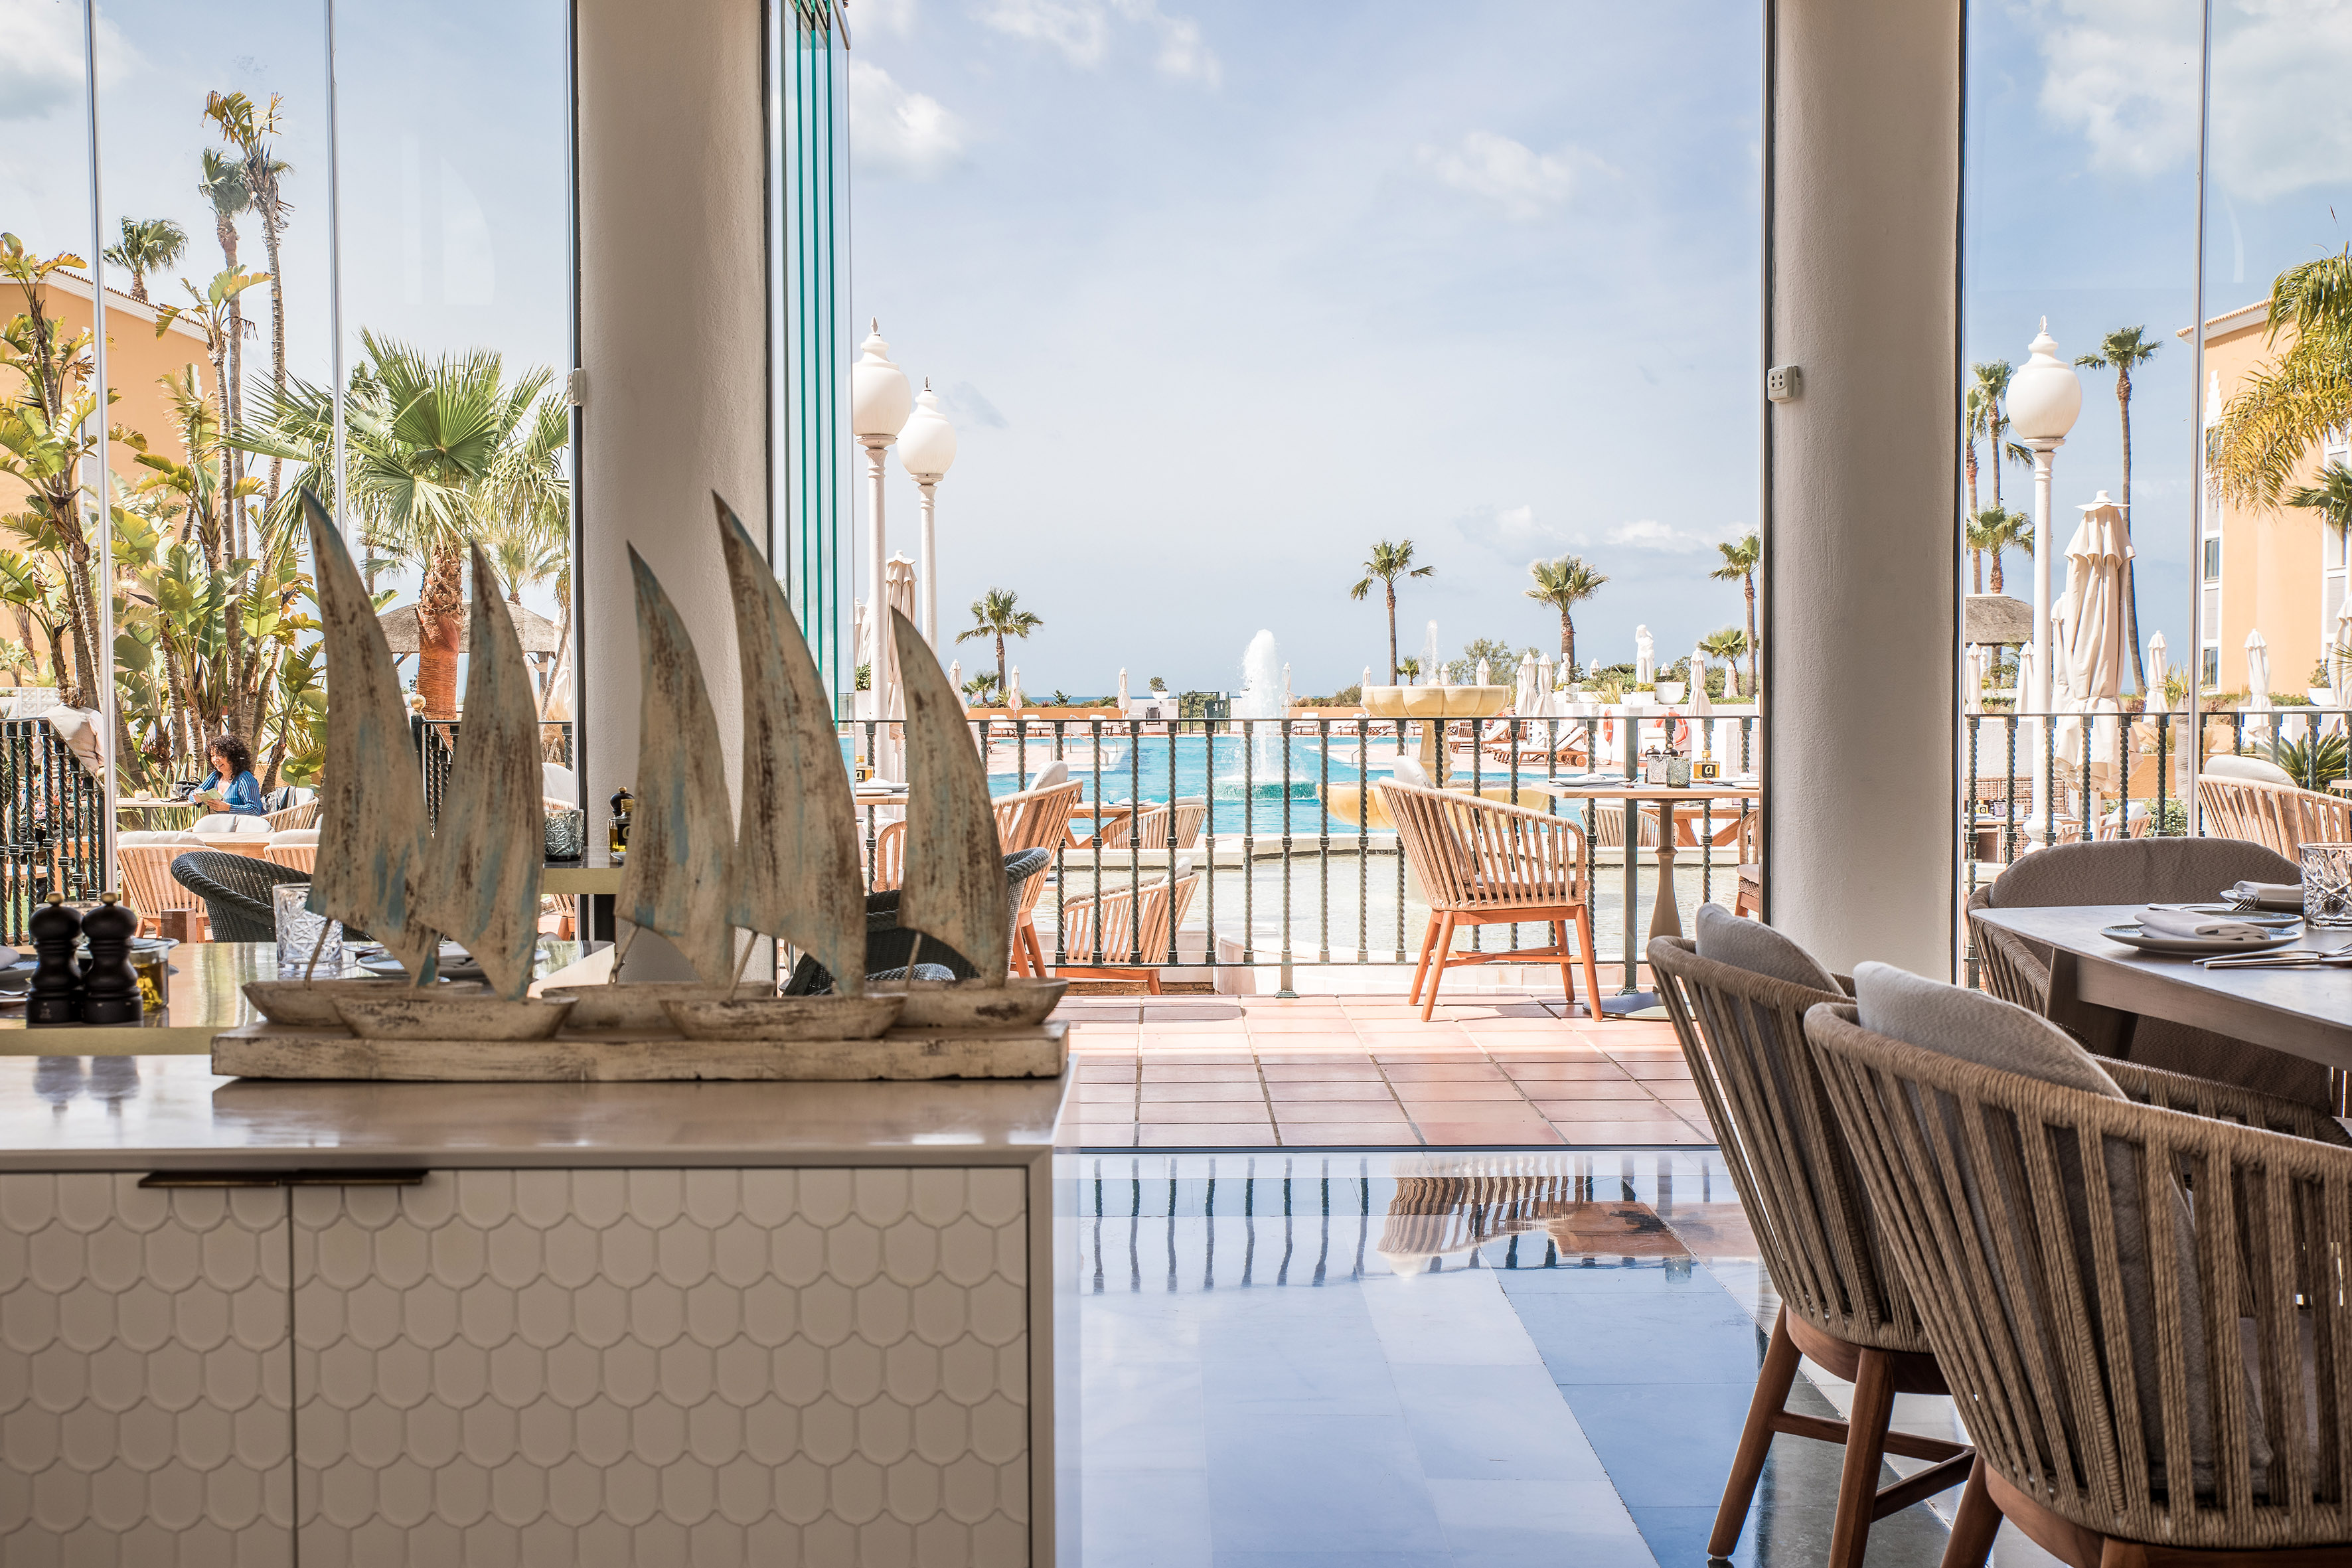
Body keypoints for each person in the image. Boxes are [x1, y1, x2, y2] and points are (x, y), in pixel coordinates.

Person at [195, 736, 266, 817]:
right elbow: (194, 793)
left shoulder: (245, 778)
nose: (215, 759)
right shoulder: (215, 776)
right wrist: (196, 798)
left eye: (220, 755)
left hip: (246, 826)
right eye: (213, 755)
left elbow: (254, 810)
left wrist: (227, 808)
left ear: (233, 757)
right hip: (226, 826)